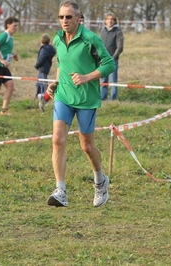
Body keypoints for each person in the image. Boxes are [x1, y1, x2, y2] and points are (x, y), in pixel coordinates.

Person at [46, 1, 115, 207]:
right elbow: (61, 64)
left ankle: (100, 181)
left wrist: (87, 77)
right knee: (57, 140)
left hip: (86, 100)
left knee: (87, 146)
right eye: (61, 17)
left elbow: (109, 64)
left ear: (78, 18)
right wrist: (56, 83)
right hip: (64, 97)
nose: (64, 21)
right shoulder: (58, 39)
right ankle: (61, 191)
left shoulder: (90, 39)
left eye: (68, 17)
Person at [100, 13, 124, 101]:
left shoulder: (118, 32)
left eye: (112, 19)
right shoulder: (103, 31)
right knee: (103, 80)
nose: (110, 21)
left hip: (113, 60)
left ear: (114, 21)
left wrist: (113, 58)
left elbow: (120, 47)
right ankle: (102, 98)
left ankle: (113, 99)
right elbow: (100, 46)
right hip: (103, 61)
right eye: (108, 19)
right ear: (105, 21)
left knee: (113, 81)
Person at [35, 33, 56, 112]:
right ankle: (39, 96)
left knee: (43, 84)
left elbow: (41, 59)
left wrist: (36, 65)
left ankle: (44, 99)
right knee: (40, 83)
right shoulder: (49, 49)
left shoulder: (44, 49)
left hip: (43, 68)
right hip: (46, 68)